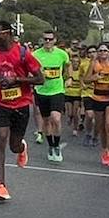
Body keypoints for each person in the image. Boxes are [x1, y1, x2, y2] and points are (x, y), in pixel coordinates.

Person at [0, 20, 43, 202]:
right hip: (0, 103)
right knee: (0, 141)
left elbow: (40, 79)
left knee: (13, 145)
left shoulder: (23, 53)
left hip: (21, 103)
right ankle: (1, 185)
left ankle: (22, 147)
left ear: (8, 33)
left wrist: (17, 79)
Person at [84, 44, 109, 168]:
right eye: (100, 50)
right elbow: (85, 79)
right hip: (98, 98)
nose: (102, 53)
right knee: (101, 127)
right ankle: (105, 150)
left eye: (105, 50)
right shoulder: (94, 64)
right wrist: (94, 77)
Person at [32, 30, 70, 163]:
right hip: (42, 91)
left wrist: (69, 77)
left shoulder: (62, 54)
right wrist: (38, 75)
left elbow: (68, 66)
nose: (47, 42)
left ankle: (57, 145)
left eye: (50, 39)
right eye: (45, 39)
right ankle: (50, 145)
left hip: (57, 90)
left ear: (55, 40)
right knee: (46, 121)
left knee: (56, 118)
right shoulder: (36, 54)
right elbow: (30, 71)